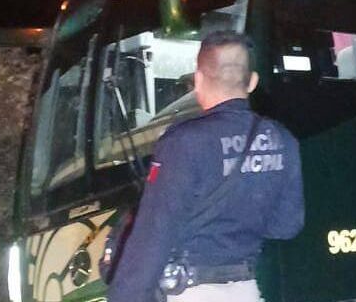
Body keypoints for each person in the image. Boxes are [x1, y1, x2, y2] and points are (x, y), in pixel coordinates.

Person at [107, 31, 304, 302]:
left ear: (198, 80)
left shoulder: (183, 143)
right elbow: (287, 225)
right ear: (252, 82)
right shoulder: (283, 139)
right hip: (245, 290)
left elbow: (152, 236)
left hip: (190, 292)